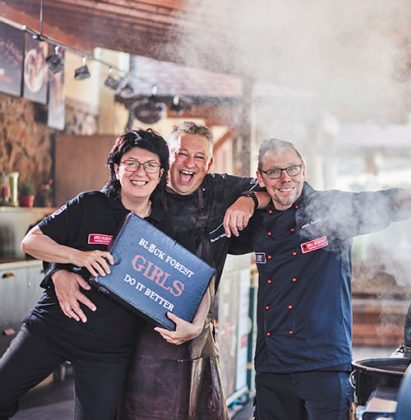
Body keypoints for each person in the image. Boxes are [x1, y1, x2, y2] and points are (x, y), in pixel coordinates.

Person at [48, 122, 268, 419]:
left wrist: (248, 200)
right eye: (181, 153)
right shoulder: (138, 187)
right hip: (132, 336)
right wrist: (58, 270)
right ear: (167, 161)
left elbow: (270, 187)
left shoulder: (218, 190)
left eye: (199, 157)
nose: (190, 163)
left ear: (209, 163)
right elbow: (77, 230)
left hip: (195, 336)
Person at [230, 138, 411, 420]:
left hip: (323, 363)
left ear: (304, 170)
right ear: (260, 178)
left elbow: (390, 202)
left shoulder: (331, 208)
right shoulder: (258, 221)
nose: (285, 178)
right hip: (272, 365)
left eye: (292, 168)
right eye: (274, 172)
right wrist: (248, 199)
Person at [0, 129, 170, 420]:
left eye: (150, 165)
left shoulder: (167, 225)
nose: (140, 172)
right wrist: (73, 261)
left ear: (160, 173)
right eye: (131, 163)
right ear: (117, 169)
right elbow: (32, 241)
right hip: (52, 328)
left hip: (109, 349)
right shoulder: (90, 204)